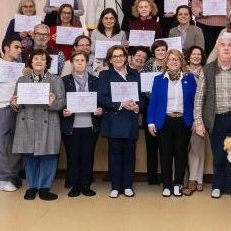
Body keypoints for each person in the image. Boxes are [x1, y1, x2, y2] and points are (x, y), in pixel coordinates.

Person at [193, 36, 231, 199]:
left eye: (230, 45)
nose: (226, 48)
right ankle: (217, 185)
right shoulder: (207, 70)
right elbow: (199, 98)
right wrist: (198, 122)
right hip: (215, 120)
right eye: (223, 45)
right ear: (217, 49)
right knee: (218, 154)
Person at [11, 49, 65, 201]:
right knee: (30, 155)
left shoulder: (55, 80)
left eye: (43, 59)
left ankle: (45, 188)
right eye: (36, 59)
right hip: (27, 121)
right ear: (31, 62)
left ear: (47, 63)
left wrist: (52, 103)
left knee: (49, 155)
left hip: (48, 121)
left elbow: (62, 102)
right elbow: (16, 103)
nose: (39, 61)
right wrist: (14, 104)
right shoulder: (22, 80)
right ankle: (32, 187)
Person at [146, 49, 197, 197]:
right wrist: (150, 122)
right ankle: (167, 185)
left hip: (183, 121)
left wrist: (195, 120)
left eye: (176, 59)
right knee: (165, 153)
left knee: (180, 153)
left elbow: (194, 102)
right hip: (164, 121)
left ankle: (178, 184)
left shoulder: (189, 79)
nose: (173, 62)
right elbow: (153, 103)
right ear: (166, 63)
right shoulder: (158, 79)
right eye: (170, 59)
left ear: (181, 62)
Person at [98, 45, 142, 198]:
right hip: (113, 120)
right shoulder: (105, 75)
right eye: (114, 56)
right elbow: (101, 98)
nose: (118, 58)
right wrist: (120, 104)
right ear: (110, 59)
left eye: (120, 55)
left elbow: (141, 98)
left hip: (131, 119)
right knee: (115, 154)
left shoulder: (135, 74)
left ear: (126, 57)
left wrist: (137, 107)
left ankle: (128, 185)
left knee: (130, 154)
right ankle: (116, 186)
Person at [60, 50, 102, 197]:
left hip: (90, 125)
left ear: (87, 63)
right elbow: (60, 102)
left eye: (82, 60)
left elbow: (100, 102)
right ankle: (75, 185)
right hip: (71, 125)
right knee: (73, 156)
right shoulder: (64, 81)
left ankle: (86, 185)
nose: (79, 63)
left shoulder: (95, 81)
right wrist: (63, 111)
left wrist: (100, 110)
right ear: (71, 63)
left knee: (87, 156)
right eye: (76, 60)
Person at [0, 36, 24, 192]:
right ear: (6, 48)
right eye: (16, 47)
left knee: (17, 145)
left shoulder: (20, 66)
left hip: (17, 108)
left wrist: (27, 73)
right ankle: (1, 179)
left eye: (21, 48)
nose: (20, 50)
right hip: (0, 108)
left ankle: (12, 176)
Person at [141, 40, 168, 185]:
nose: (161, 52)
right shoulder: (147, 66)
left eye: (163, 50)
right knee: (151, 146)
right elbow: (144, 87)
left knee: (165, 146)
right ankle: (152, 177)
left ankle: (165, 176)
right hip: (151, 108)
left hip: (166, 110)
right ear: (153, 52)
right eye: (158, 50)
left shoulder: (171, 65)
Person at [183, 45, 205, 195]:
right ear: (188, 56)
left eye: (199, 54)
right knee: (182, 150)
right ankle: (182, 180)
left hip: (199, 116)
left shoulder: (206, 71)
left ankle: (196, 179)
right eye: (193, 54)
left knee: (197, 150)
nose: (196, 56)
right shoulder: (182, 72)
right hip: (183, 115)